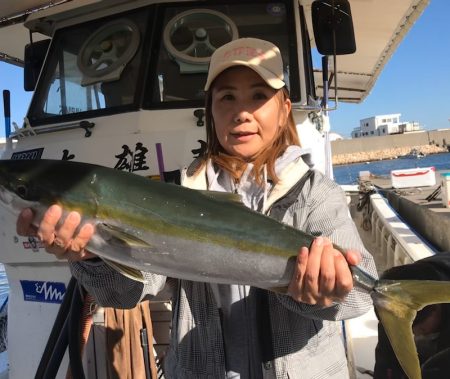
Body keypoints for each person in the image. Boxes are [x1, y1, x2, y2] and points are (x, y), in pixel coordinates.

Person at [17, 38, 377, 378]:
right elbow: (127, 293)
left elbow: (359, 298)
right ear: (210, 110)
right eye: (227, 98)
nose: (241, 113)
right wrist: (91, 257)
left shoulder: (315, 193)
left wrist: (324, 293)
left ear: (284, 110)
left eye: (258, 96)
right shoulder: (176, 192)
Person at [374, 254, 450, 379]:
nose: (417, 335)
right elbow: (386, 356)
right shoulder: (392, 300)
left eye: (422, 330)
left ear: (436, 307)